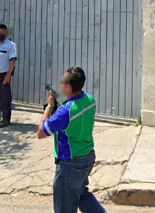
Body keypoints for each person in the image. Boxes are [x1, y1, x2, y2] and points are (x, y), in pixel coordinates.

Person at [37, 66, 105, 213]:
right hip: (87, 157)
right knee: (81, 195)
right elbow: (71, 122)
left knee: (65, 207)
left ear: (68, 86)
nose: (60, 84)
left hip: (70, 164)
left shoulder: (65, 111)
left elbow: (41, 132)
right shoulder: (89, 100)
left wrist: (49, 106)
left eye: (62, 82)